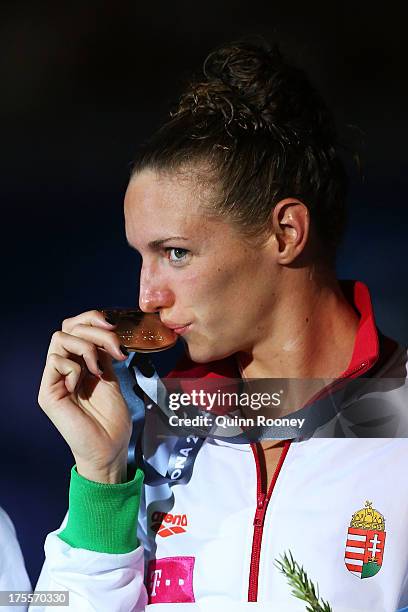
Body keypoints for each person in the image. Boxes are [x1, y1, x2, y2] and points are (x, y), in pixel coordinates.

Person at [33, 40, 408, 611]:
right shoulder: (150, 429)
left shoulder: (400, 416)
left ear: (286, 233)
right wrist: (101, 477)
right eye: (142, 256)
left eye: (177, 253)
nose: (147, 297)